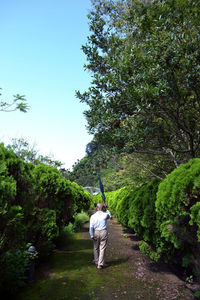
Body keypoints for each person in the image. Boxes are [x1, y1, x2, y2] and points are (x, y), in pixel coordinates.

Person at [89, 202, 112, 269]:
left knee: (95, 247)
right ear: (102, 208)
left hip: (96, 232)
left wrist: (92, 236)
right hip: (103, 232)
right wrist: (106, 208)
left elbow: (91, 227)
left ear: (96, 208)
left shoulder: (92, 216)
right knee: (102, 248)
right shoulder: (105, 215)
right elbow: (110, 216)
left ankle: (96, 260)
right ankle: (100, 264)